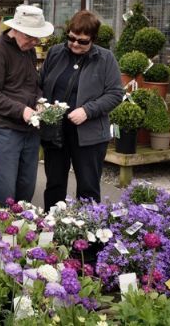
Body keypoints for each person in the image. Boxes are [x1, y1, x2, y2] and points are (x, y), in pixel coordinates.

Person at [39, 10, 123, 208]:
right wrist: (40, 102)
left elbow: (115, 93)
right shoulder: (56, 53)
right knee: (54, 185)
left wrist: (87, 110)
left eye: (82, 41)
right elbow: (40, 83)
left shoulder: (105, 59)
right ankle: (52, 223)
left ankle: (88, 226)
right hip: (56, 132)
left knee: (88, 188)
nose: (75, 44)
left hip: (89, 136)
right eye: (71, 38)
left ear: (93, 39)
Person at [0, 4, 54, 206]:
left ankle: (22, 224)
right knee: (3, 191)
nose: (34, 42)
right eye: (30, 36)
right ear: (16, 30)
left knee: (26, 188)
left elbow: (32, 84)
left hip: (29, 129)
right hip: (4, 130)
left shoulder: (27, 50)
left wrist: (39, 101)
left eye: (37, 37)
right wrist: (21, 110)